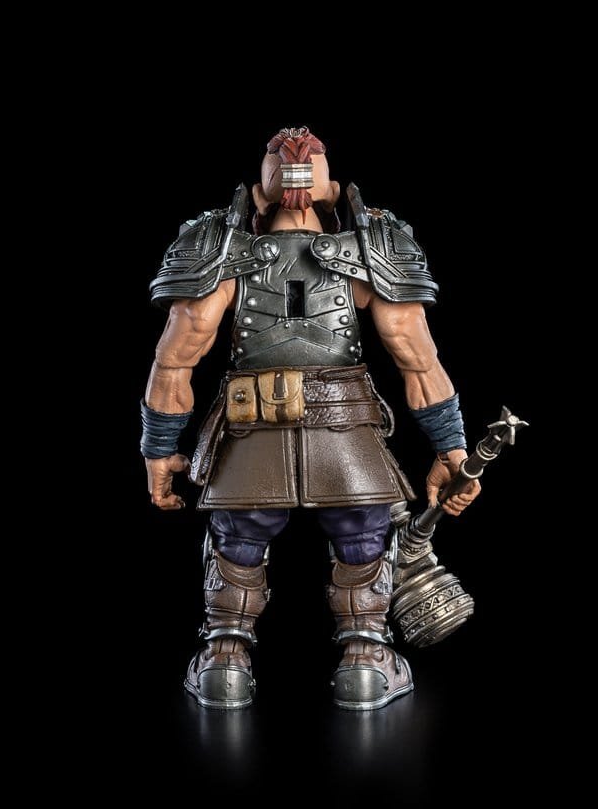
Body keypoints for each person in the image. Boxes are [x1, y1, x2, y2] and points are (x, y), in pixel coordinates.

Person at [142, 127, 480, 710]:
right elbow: (417, 359)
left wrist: (158, 450)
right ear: (331, 190)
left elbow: (175, 360)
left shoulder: (217, 251)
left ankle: (225, 661)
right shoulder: (374, 249)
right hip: (344, 430)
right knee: (364, 535)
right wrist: (451, 449)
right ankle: (366, 662)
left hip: (250, 430)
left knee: (238, 538)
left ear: (260, 192)